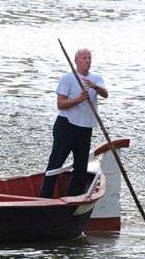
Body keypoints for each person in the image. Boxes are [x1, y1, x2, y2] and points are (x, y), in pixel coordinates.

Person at [39, 47, 108, 198]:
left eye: (89, 58)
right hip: (66, 125)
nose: (87, 61)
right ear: (76, 61)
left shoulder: (96, 78)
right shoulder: (68, 78)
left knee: (81, 166)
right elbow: (61, 104)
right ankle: (45, 196)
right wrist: (79, 99)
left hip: (85, 127)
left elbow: (105, 94)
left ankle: (74, 196)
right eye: (84, 58)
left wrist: (95, 87)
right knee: (56, 161)